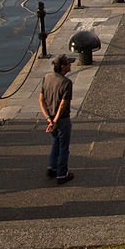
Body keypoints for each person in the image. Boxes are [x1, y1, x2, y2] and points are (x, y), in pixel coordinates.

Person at [38, 54, 74, 185]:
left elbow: (41, 100)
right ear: (63, 67)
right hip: (62, 119)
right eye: (69, 64)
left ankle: (52, 167)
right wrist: (56, 120)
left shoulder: (46, 78)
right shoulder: (66, 83)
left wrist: (48, 119)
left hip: (49, 118)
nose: (71, 65)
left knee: (56, 142)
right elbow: (63, 104)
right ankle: (62, 174)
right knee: (64, 147)